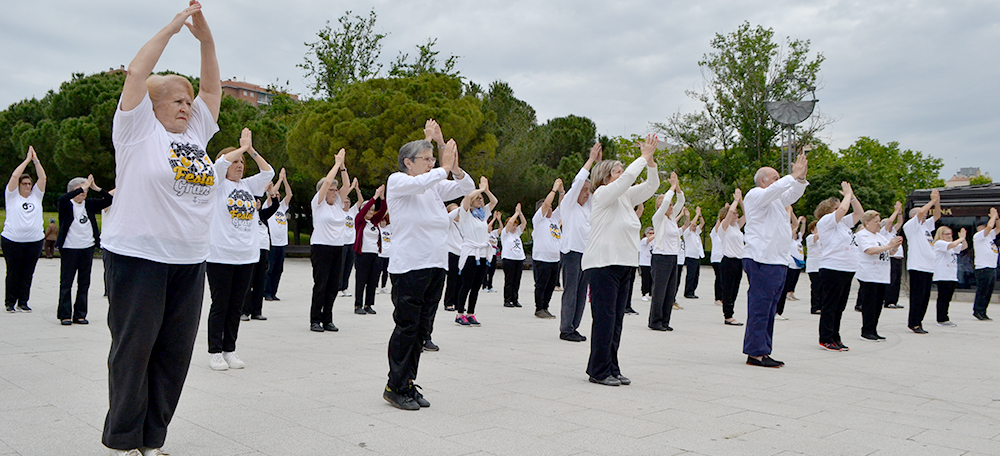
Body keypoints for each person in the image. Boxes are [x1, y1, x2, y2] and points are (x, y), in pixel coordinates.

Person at [101, 2, 223, 453]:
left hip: (189, 259)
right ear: (154, 105)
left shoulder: (194, 135)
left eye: (190, 102)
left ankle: (153, 440)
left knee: (173, 356)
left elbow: (212, 87)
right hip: (138, 258)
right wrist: (173, 28)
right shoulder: (136, 130)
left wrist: (206, 41)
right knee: (134, 353)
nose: (188, 107)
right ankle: (124, 438)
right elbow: (137, 72)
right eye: (178, 100)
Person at [383, 119, 474, 410]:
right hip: (410, 266)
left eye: (432, 159)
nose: (431, 163)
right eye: (426, 159)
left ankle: (408, 383)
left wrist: (444, 148)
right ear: (408, 162)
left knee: (422, 330)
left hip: (436, 265)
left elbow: (467, 187)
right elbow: (426, 180)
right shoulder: (398, 182)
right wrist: (443, 167)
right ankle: (394, 385)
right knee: (407, 328)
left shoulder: (433, 187)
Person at [582, 134, 659, 386]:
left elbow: (651, 187)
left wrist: (650, 163)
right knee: (604, 318)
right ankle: (598, 370)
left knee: (616, 319)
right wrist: (642, 156)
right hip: (603, 264)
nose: (622, 173)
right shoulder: (603, 194)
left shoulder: (625, 198)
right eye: (618, 170)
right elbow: (627, 180)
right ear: (606, 176)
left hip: (625, 264)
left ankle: (612, 367)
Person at [206, 129, 274, 370]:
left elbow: (268, 172)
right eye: (236, 161)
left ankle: (229, 349)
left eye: (242, 162)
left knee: (236, 306)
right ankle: (214, 351)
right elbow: (219, 163)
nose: (240, 165)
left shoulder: (247, 185)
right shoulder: (216, 184)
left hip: (246, 256)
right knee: (220, 304)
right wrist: (240, 149)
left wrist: (251, 150)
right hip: (221, 256)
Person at [741, 154, 808, 367]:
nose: (779, 181)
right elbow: (775, 191)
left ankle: (764, 350)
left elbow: (792, 194)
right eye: (775, 177)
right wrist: (792, 176)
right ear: (764, 181)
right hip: (762, 259)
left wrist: (799, 179)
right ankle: (755, 353)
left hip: (777, 260)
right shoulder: (755, 195)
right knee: (760, 308)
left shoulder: (777, 200)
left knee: (770, 308)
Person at [56, 175, 113, 325]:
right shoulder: (66, 204)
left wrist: (97, 188)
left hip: (86, 247)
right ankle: (65, 314)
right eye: (80, 190)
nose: (83, 192)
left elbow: (109, 200)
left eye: (85, 190)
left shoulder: (89, 204)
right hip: (70, 248)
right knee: (67, 282)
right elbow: (63, 198)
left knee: (84, 283)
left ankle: (80, 314)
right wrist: (83, 187)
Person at [559, 142, 602, 342]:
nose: (586, 193)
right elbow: (578, 181)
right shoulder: (569, 204)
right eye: (584, 190)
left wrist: (598, 167)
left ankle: (574, 326)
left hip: (586, 255)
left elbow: (597, 188)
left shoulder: (588, 207)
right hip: (571, 253)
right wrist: (591, 159)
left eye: (588, 190)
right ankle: (566, 328)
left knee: (582, 292)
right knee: (571, 291)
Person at [815, 182, 863, 352]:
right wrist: (846, 196)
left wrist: (852, 196)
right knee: (830, 305)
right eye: (837, 206)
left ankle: (836, 336)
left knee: (840, 306)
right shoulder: (826, 221)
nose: (843, 207)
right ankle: (826, 338)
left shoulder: (843, 224)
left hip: (846, 269)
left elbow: (859, 213)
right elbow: (842, 210)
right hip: (832, 268)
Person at [310, 150, 352, 333]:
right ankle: (315, 320)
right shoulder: (318, 203)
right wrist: (335, 164)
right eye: (331, 190)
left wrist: (343, 166)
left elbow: (347, 185)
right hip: (321, 247)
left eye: (336, 190)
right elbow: (327, 182)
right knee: (321, 285)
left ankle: (328, 318)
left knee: (333, 286)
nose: (335, 192)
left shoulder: (337, 204)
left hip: (337, 248)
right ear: (323, 191)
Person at [3, 146, 46, 314]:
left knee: (28, 272)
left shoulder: (36, 196)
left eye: (29, 184)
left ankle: (23, 301)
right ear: (19, 185)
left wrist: (36, 161)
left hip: (34, 241)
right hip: (13, 240)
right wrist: (27, 160)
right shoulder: (12, 196)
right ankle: (10, 302)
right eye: (25, 184)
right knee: (13, 271)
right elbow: (14, 176)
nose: (28, 186)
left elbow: (42, 178)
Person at [454, 176, 497, 326]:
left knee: (476, 286)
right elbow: (466, 198)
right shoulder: (466, 214)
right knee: (466, 284)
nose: (479, 199)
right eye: (477, 198)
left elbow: (494, 202)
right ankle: (460, 313)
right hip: (471, 253)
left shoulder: (482, 214)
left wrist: (487, 190)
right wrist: (479, 189)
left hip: (483, 253)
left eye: (481, 198)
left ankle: (471, 313)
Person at [854, 210, 903, 341]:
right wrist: (889, 246)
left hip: (882, 274)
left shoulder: (880, 236)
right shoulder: (863, 235)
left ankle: (874, 329)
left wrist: (894, 246)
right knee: (869, 303)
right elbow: (869, 250)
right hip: (869, 273)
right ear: (867, 222)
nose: (878, 224)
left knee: (878, 304)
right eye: (876, 222)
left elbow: (890, 252)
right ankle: (866, 330)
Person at [649, 172, 684, 331]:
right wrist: (671, 187)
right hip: (661, 257)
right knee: (660, 291)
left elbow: (681, 201)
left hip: (672, 257)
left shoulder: (671, 219)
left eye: (670, 204)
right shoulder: (658, 218)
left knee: (670, 291)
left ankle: (665, 321)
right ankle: (655, 321)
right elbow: (665, 205)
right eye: (668, 204)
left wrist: (677, 186)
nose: (671, 206)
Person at [903, 190, 942, 334]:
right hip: (917, 266)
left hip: (928, 267)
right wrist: (931, 201)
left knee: (925, 297)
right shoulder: (911, 226)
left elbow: (937, 215)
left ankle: (919, 321)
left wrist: (937, 202)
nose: (926, 214)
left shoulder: (925, 227)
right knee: (917, 297)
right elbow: (920, 214)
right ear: (913, 216)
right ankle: (913, 323)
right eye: (923, 213)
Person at [242, 184, 280, 321]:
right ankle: (244, 311)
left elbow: (275, 207)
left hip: (263, 250)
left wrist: (272, 193)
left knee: (259, 281)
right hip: (251, 250)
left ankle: (256, 311)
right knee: (248, 281)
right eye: (255, 200)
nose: (257, 202)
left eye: (259, 200)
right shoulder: (247, 215)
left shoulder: (263, 214)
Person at [352, 185, 388, 315]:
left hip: (375, 254)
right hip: (362, 254)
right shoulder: (359, 221)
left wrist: (382, 198)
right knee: (361, 280)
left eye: (373, 210)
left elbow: (383, 209)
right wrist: (375, 196)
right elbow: (364, 210)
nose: (371, 212)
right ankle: (358, 304)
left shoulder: (374, 222)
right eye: (369, 210)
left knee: (373, 281)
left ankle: (369, 304)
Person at [532, 179, 564, 319]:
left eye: (552, 208)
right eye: (549, 208)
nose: (551, 209)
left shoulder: (553, 220)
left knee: (551, 285)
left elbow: (562, 206)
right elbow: (546, 204)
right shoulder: (539, 220)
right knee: (541, 284)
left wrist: (562, 191)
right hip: (542, 258)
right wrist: (554, 189)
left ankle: (546, 307)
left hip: (555, 258)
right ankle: (539, 308)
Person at [264, 168, 292, 301]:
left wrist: (285, 180)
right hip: (272, 243)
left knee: (278, 270)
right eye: (276, 194)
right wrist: (279, 179)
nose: (278, 195)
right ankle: (266, 292)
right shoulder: (268, 205)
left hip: (282, 243)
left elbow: (289, 195)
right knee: (269, 269)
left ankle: (273, 292)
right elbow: (272, 193)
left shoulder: (282, 207)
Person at [932, 225, 968, 327]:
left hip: (951, 275)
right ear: (941, 234)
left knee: (948, 298)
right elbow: (950, 245)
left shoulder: (951, 245)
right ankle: (941, 318)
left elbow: (963, 247)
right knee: (943, 297)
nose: (949, 236)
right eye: (946, 234)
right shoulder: (939, 243)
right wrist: (960, 238)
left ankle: (945, 316)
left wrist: (963, 238)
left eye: (950, 234)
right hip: (943, 275)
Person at [718, 196, 745, 326]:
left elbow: (748, 214)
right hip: (728, 261)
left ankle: (730, 312)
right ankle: (728, 315)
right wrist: (735, 200)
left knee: (735, 289)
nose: (736, 214)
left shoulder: (737, 227)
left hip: (739, 261)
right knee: (728, 289)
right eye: (735, 213)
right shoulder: (724, 227)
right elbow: (729, 213)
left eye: (736, 213)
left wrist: (740, 201)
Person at [774, 210, 806, 320]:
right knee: (778, 289)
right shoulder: (780, 231)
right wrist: (788, 211)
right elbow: (794, 227)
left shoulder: (794, 238)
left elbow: (796, 225)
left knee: (783, 289)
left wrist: (790, 210)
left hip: (785, 263)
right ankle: (775, 311)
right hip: (778, 263)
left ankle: (779, 311)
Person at [972, 208, 999, 320]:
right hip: (983, 267)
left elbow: (998, 228)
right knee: (982, 290)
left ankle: (983, 311)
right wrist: (992, 217)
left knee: (988, 291)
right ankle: (978, 310)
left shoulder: (989, 236)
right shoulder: (978, 236)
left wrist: (996, 217)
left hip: (991, 266)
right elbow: (989, 227)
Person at [501, 203, 527, 308]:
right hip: (509, 259)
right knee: (509, 280)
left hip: (519, 259)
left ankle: (515, 299)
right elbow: (510, 222)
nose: (514, 227)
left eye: (515, 225)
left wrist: (520, 213)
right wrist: (516, 213)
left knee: (516, 281)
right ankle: (507, 299)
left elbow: (524, 223)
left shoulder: (517, 233)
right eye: (513, 225)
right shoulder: (505, 234)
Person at [339, 182, 362, 297]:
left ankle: (345, 287)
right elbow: (340, 197)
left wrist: (357, 189)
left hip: (351, 243)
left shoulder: (352, 212)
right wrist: (350, 187)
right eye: (345, 202)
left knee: (348, 266)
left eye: (348, 202)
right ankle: (338, 288)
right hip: (342, 242)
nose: (347, 204)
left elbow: (361, 201)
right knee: (341, 266)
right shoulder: (339, 211)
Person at [881, 202, 905, 309]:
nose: (892, 225)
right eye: (889, 224)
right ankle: (888, 301)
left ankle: (894, 300)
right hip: (890, 257)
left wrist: (900, 212)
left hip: (898, 258)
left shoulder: (893, 232)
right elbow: (890, 221)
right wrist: (895, 211)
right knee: (891, 279)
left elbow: (900, 222)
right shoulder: (883, 232)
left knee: (897, 280)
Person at [442, 203, 463, 311]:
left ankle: (458, 302)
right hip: (452, 253)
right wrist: (463, 205)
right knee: (452, 279)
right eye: (454, 211)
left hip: (462, 254)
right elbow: (451, 216)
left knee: (461, 280)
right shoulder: (449, 222)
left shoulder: (463, 223)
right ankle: (448, 302)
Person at [681, 206, 705, 299]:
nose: (695, 227)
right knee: (690, 275)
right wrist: (696, 214)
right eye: (694, 225)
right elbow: (692, 224)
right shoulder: (687, 233)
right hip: (690, 256)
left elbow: (702, 223)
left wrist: (700, 215)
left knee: (696, 275)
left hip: (697, 256)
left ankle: (693, 290)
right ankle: (688, 292)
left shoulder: (696, 233)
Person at [805, 221, 822, 314]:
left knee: (822, 287)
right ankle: (815, 307)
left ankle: (821, 305)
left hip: (821, 265)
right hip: (813, 266)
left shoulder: (822, 240)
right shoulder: (810, 237)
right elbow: (816, 237)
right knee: (816, 286)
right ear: (812, 230)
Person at [482, 212, 500, 293]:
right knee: (485, 271)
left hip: (493, 255)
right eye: (490, 226)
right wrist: (494, 218)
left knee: (492, 271)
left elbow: (501, 229)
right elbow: (488, 226)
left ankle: (490, 285)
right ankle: (484, 286)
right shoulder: (485, 234)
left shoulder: (493, 234)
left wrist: (499, 220)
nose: (491, 228)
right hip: (486, 255)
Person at [709, 216, 724, 307]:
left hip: (723, 258)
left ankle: (722, 297)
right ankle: (718, 298)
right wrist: (721, 216)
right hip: (716, 259)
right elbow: (718, 224)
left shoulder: (723, 234)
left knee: (723, 278)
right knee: (719, 278)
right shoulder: (714, 234)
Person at [638, 227, 654, 303]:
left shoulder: (654, 242)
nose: (651, 235)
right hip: (644, 263)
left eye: (653, 233)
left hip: (652, 263)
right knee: (645, 279)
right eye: (649, 233)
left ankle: (651, 293)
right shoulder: (644, 240)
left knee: (652, 279)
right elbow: (648, 240)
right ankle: (644, 294)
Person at [378, 216, 392, 294]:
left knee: (385, 272)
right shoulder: (379, 228)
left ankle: (383, 286)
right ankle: (376, 286)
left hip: (388, 253)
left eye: (384, 221)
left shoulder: (389, 228)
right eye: (381, 221)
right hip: (380, 253)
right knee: (378, 271)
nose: (383, 223)